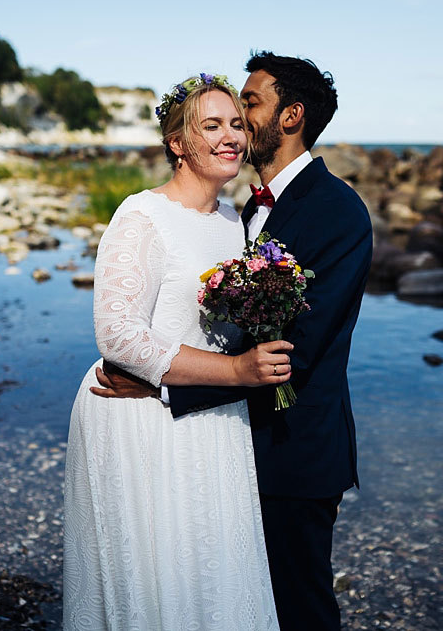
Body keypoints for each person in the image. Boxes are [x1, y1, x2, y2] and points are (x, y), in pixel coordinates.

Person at [93, 52, 374, 631]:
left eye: (250, 105)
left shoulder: (336, 210)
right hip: (231, 445)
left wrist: (160, 386)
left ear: (290, 116)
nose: (240, 121)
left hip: (295, 451)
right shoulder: (244, 211)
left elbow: (297, 346)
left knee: (300, 607)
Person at [62, 73, 292, 631]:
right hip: (143, 421)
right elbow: (118, 335)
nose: (230, 136)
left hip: (213, 417)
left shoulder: (234, 220)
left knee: (212, 574)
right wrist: (236, 371)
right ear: (177, 143)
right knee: (156, 574)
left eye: (237, 123)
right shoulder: (142, 216)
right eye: (210, 126)